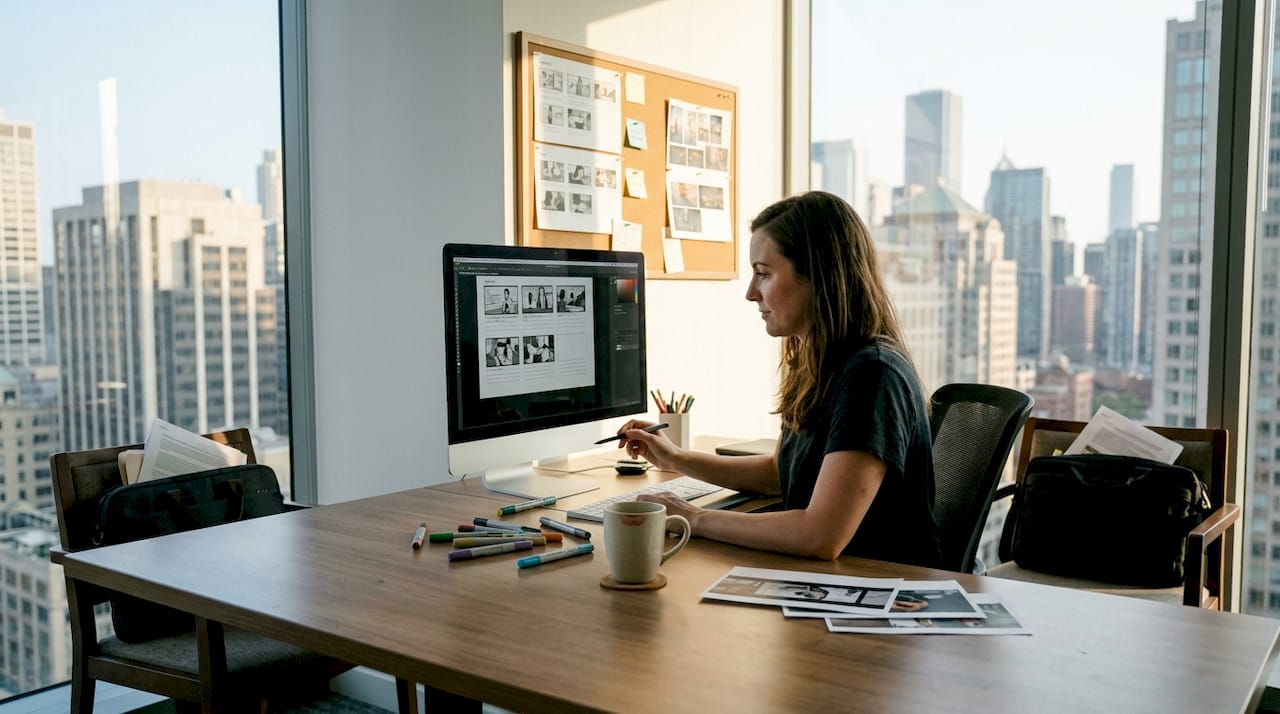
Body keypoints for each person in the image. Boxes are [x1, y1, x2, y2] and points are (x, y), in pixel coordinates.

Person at [615, 191, 941, 567]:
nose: (751, 293)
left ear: (817, 275)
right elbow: (779, 474)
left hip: (883, 587)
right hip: (835, 575)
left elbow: (820, 535)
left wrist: (693, 517)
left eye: (763, 274)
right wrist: (676, 457)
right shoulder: (819, 360)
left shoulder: (873, 374)